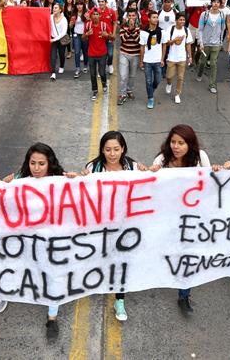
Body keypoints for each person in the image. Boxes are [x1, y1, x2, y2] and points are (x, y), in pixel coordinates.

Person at [149, 124, 230, 315]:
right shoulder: (161, 160)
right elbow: (152, 187)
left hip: (193, 217)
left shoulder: (200, 158)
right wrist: (151, 173)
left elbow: (211, 181)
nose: (175, 147)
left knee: (188, 254)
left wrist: (222, 170)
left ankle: (184, 295)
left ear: (190, 144)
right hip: (168, 215)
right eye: (173, 142)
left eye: (181, 143)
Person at [3, 143, 67, 339]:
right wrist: (1, 185)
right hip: (28, 240)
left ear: (50, 164)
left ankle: (52, 317)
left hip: (53, 241)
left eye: (41, 163)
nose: (37, 168)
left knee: (54, 275)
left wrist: (77, 180)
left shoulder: (61, 182)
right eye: (33, 163)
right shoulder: (20, 180)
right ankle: (1, 292)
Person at [82, 131, 144, 321]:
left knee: (121, 262)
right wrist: (81, 178)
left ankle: (119, 300)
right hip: (100, 224)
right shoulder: (93, 168)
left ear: (123, 149)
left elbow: (149, 187)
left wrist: (150, 172)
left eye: (116, 149)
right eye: (108, 149)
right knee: (101, 256)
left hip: (126, 225)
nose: (112, 153)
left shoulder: (133, 167)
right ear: (102, 150)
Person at [196, 0, 227, 94]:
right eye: (214, 2)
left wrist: (221, 41)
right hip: (205, 43)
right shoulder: (204, 15)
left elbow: (223, 29)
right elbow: (200, 29)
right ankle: (200, 73)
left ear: (220, 4)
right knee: (202, 62)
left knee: (213, 63)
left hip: (216, 43)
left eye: (218, 2)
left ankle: (212, 85)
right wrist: (200, 42)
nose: (216, 4)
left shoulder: (222, 15)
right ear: (211, 3)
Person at [163, 13, 193, 104]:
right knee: (169, 76)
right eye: (180, 20)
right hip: (172, 57)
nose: (182, 21)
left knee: (180, 77)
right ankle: (169, 84)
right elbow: (167, 43)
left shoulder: (186, 31)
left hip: (182, 58)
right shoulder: (170, 29)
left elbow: (188, 44)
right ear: (176, 20)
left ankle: (177, 94)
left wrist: (190, 56)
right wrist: (175, 40)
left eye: (183, 20)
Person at [84, 9, 112, 101]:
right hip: (91, 53)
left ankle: (104, 84)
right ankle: (94, 90)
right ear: (91, 16)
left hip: (102, 53)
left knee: (102, 72)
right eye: (94, 14)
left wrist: (107, 35)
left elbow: (113, 37)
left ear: (100, 16)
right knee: (92, 74)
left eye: (97, 14)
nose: (95, 16)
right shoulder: (88, 25)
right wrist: (87, 34)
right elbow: (83, 38)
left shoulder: (104, 25)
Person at [139, 12, 164, 109]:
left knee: (157, 80)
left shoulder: (161, 32)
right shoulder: (143, 32)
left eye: (157, 17)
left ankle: (151, 90)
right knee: (148, 81)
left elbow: (164, 45)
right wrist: (141, 61)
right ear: (149, 19)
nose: (156, 19)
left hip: (157, 60)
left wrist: (162, 58)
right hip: (147, 61)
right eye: (154, 17)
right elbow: (142, 47)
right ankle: (150, 98)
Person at [117, 8, 140, 105]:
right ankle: (122, 94)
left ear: (136, 16)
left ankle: (129, 90)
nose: (131, 18)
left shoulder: (140, 27)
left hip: (135, 54)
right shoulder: (123, 26)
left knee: (132, 75)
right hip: (124, 53)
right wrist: (130, 30)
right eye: (129, 16)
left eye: (133, 16)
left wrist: (133, 29)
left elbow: (138, 40)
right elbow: (123, 39)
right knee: (123, 76)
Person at [50, 3, 68, 80]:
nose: (54, 9)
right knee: (53, 56)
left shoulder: (64, 20)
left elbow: (63, 33)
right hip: (53, 40)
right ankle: (53, 73)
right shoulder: (50, 17)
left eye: (56, 8)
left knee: (61, 55)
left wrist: (54, 39)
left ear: (60, 10)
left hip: (61, 40)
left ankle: (61, 66)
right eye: (53, 7)